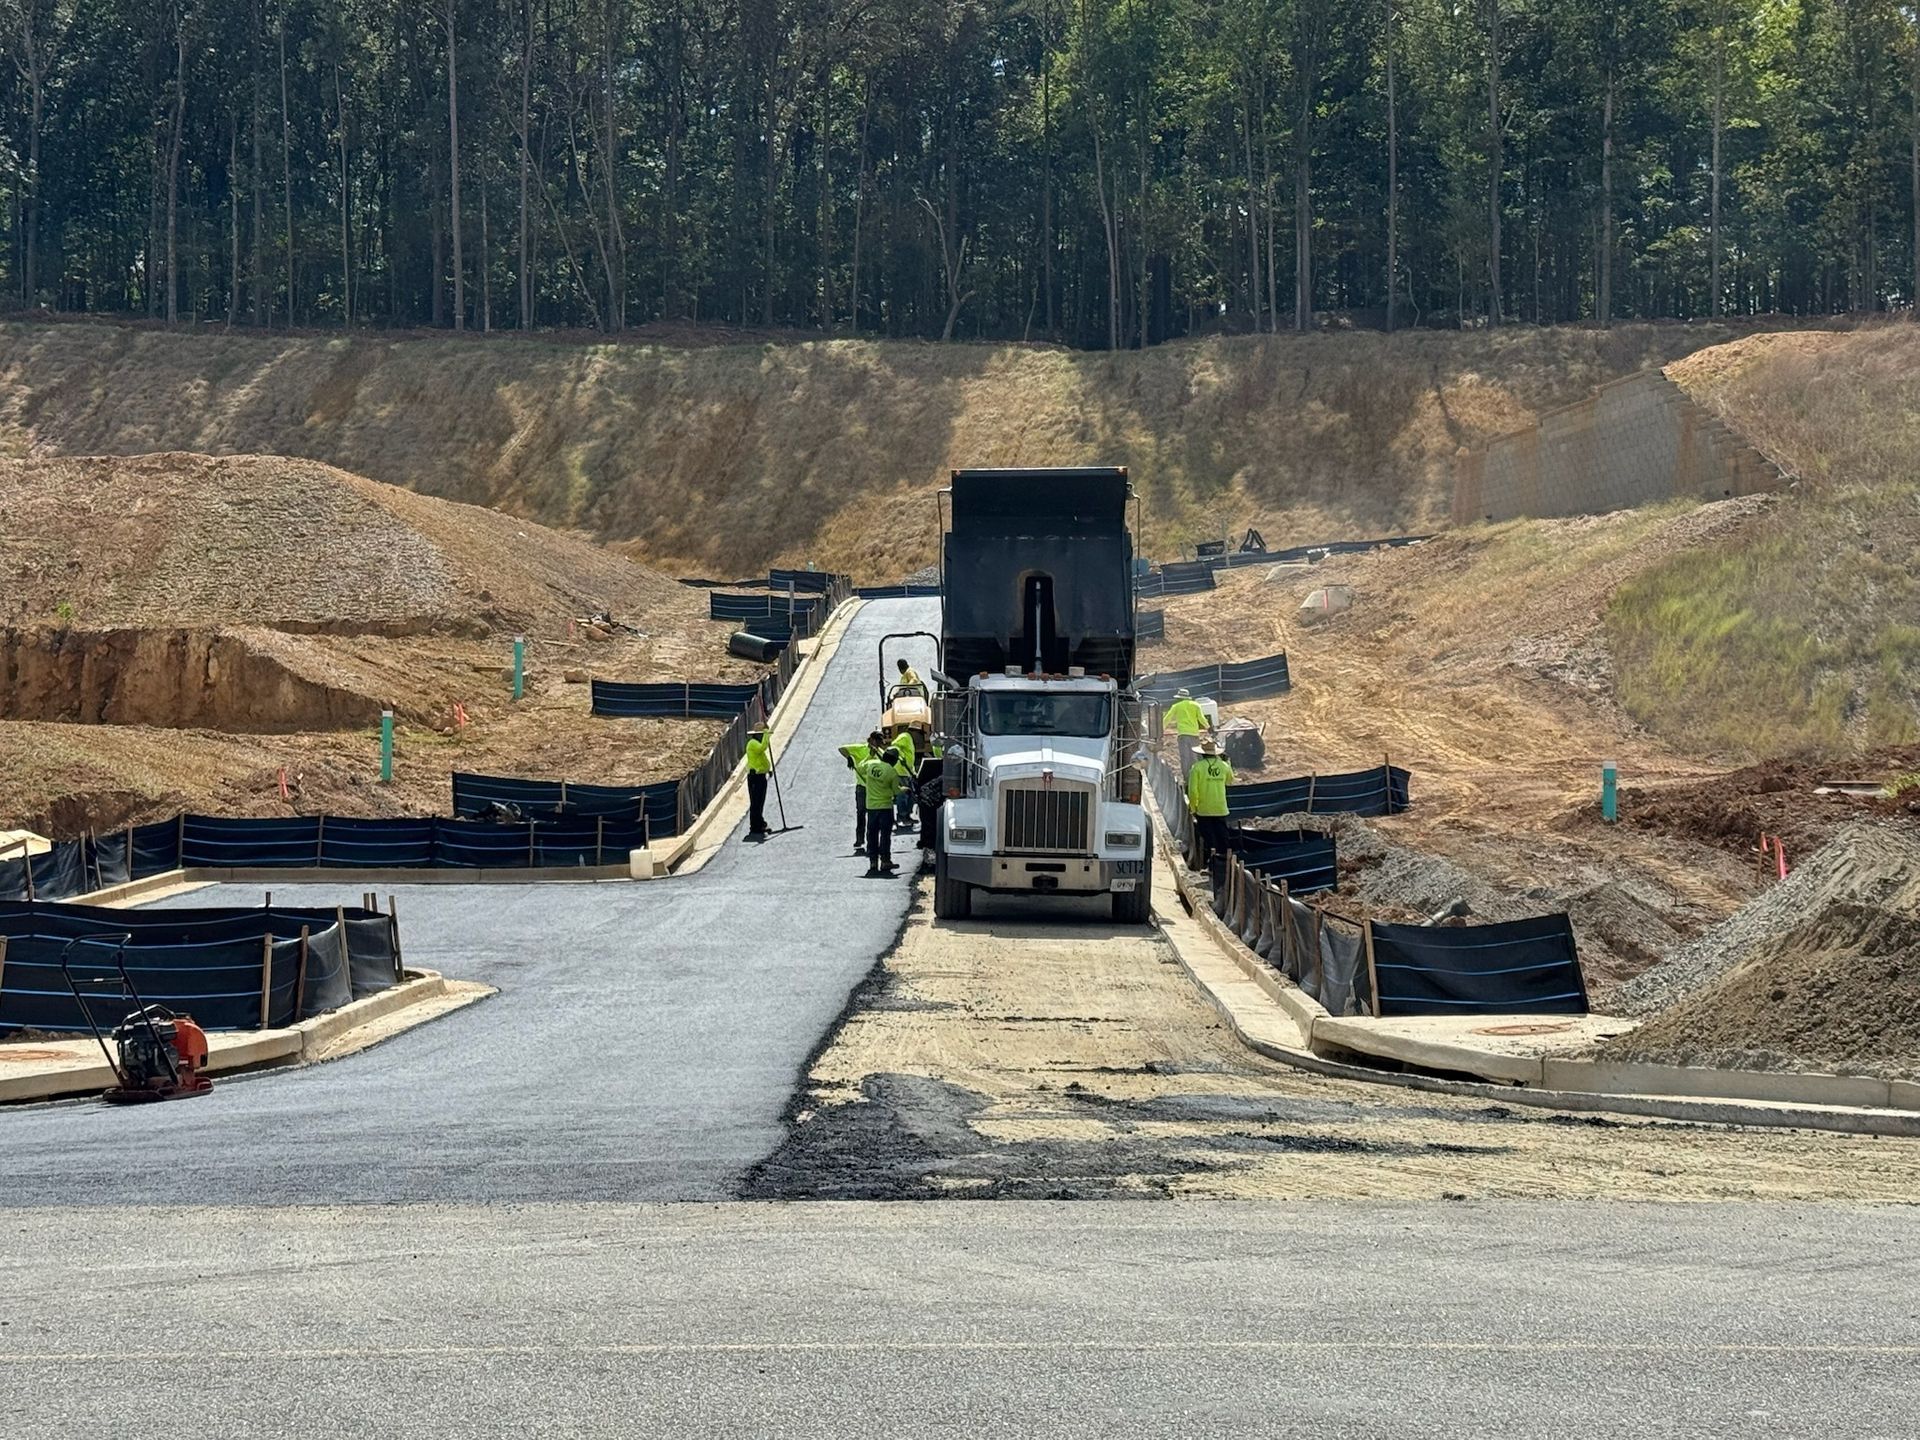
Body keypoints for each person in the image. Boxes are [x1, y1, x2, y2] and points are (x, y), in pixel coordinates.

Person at [1186, 738, 1235, 868]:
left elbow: (1192, 791)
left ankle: (1211, 864)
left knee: (1209, 839)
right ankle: (1225, 863)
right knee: (1222, 837)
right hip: (1220, 808)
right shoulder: (1223, 766)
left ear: (1202, 753)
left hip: (1203, 809)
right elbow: (1230, 780)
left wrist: (1193, 808)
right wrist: (1227, 762)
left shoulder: (1196, 768)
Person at [857, 746, 904, 875]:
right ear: (894, 760)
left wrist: (869, 756)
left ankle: (873, 862)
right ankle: (885, 861)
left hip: (871, 807)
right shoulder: (892, 772)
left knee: (871, 834)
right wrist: (905, 789)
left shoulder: (871, 765)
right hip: (885, 807)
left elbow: (859, 768)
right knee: (885, 835)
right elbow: (896, 791)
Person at [838, 730, 886, 851]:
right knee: (861, 813)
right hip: (862, 787)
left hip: (874, 788)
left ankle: (871, 841)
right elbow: (842, 748)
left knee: (872, 815)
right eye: (878, 742)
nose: (879, 745)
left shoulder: (880, 753)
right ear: (872, 740)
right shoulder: (860, 748)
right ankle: (859, 839)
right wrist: (849, 757)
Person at [1165, 687, 1209, 777]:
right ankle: (1197, 775)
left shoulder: (1176, 706)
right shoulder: (1196, 705)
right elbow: (1201, 718)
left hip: (1183, 734)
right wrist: (1208, 727)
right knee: (1194, 756)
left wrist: (1160, 729)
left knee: (1185, 757)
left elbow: (1167, 718)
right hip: (1194, 734)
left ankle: (1186, 777)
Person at [744, 727, 773, 836]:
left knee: (760, 801)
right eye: (761, 735)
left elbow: (761, 760)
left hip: (761, 776)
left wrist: (767, 770)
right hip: (755, 777)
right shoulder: (753, 743)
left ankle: (760, 822)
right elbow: (762, 748)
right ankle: (755, 826)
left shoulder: (756, 744)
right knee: (755, 802)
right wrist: (767, 735)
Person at [891, 727, 918, 823]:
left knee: (911, 795)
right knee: (902, 795)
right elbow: (894, 746)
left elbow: (910, 758)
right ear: (912, 731)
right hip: (900, 772)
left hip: (907, 772)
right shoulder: (905, 736)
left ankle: (907, 815)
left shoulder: (910, 740)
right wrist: (900, 757)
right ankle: (902, 815)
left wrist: (913, 772)